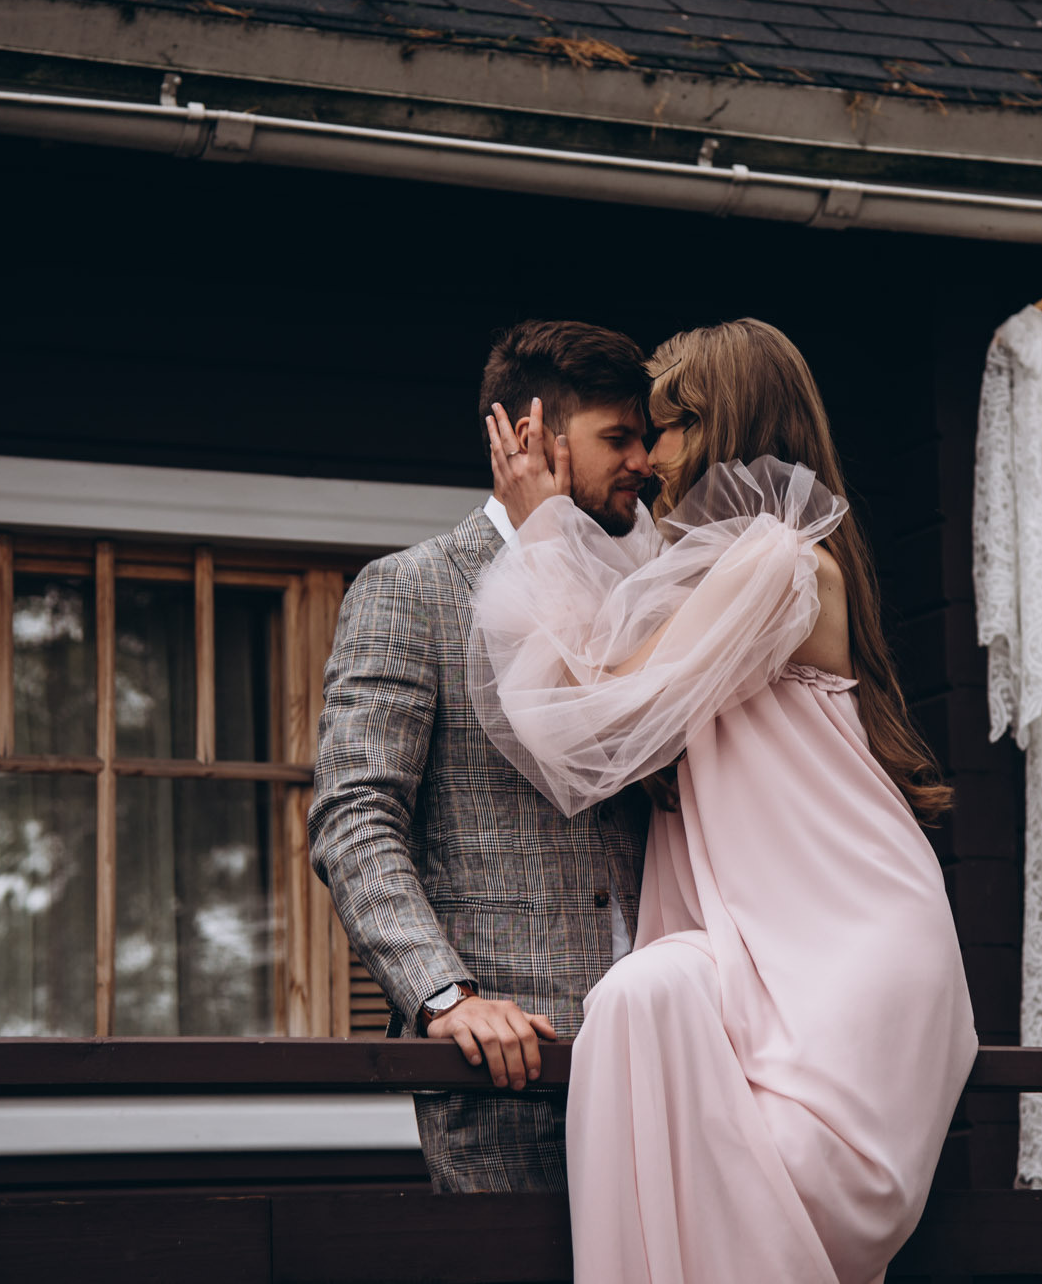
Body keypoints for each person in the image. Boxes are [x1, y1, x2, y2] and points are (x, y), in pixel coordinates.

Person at [471, 318, 977, 1283]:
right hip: (761, 941)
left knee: (675, 1035)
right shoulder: (718, 564)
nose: (649, 455)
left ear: (719, 424)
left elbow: (607, 701)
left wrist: (544, 533)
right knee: (639, 996)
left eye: (662, 427)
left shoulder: (777, 562)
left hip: (841, 942)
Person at [310, 319, 655, 1193]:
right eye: (619, 437)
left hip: (659, 1055)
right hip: (507, 1066)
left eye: (645, 437)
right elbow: (356, 817)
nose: (644, 461)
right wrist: (446, 996)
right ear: (533, 437)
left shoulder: (638, 594)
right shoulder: (411, 589)